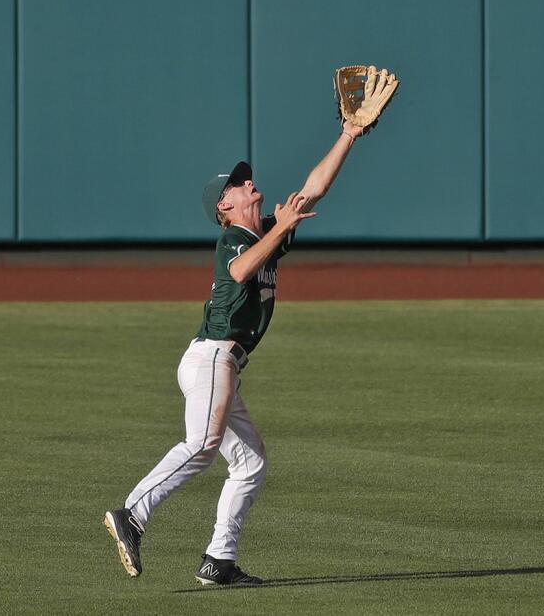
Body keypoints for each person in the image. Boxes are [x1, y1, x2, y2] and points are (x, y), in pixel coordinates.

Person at [104, 119, 365, 586]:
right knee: (203, 446)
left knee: (250, 463)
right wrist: (280, 228)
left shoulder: (264, 232)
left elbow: (313, 189)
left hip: (224, 363)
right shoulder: (234, 239)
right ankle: (132, 514)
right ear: (224, 206)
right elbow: (243, 270)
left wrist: (348, 133)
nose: (248, 182)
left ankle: (218, 560)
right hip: (210, 358)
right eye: (237, 184)